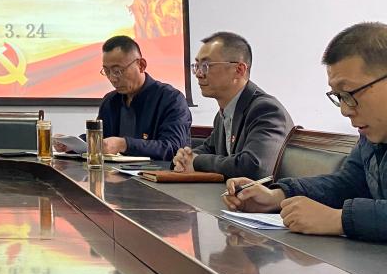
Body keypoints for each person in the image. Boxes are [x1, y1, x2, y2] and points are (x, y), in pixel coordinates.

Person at [224, 22, 387, 247]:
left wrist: (341, 220)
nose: (344, 110)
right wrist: (278, 195)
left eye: (349, 94)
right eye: (338, 97)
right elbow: (352, 182)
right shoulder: (380, 124)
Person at [173, 32, 292, 178]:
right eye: (196, 66)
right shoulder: (223, 114)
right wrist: (184, 158)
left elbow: (254, 166)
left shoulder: (266, 110)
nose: (198, 74)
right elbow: (209, 149)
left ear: (239, 70)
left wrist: (196, 161)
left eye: (206, 65)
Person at [58, 35, 190, 160]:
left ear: (141, 65)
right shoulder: (110, 101)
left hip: (156, 174)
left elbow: (173, 148)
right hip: (114, 173)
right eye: (107, 71)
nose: (112, 78)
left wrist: (124, 144)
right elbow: (102, 139)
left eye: (117, 71)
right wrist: (72, 144)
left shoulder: (171, 99)